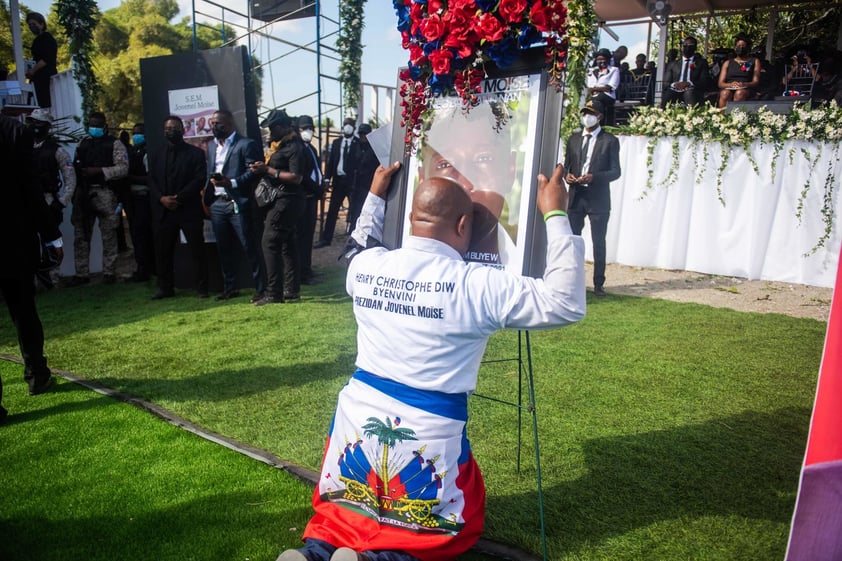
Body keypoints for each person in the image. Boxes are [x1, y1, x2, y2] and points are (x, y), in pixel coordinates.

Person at [276, 160, 586, 561]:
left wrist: (374, 194)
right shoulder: (478, 283)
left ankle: (315, 552)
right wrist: (556, 213)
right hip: (428, 424)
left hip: (358, 411)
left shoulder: (368, 266)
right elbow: (565, 303)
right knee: (443, 522)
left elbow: (357, 246)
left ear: (410, 219)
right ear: (463, 226)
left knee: (351, 502)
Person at [0, 115, 63, 423]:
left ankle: (37, 373)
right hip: (14, 241)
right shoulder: (15, 131)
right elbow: (30, 187)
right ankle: (36, 373)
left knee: (25, 312)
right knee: (24, 311)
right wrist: (51, 235)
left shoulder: (16, 131)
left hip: (15, 241)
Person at [418, 100, 517, 269]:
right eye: (445, 164)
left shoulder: (538, 270)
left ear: (510, 170)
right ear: (422, 181)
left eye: (483, 158)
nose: (464, 183)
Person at [202, 109, 267, 301]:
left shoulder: (246, 144)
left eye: (218, 123)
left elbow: (254, 171)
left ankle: (261, 288)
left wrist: (232, 182)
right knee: (223, 248)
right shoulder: (212, 147)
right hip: (217, 204)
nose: (214, 126)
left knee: (249, 247)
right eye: (212, 123)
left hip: (238, 203)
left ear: (229, 124)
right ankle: (230, 287)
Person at [249, 109, 309, 305]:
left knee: (269, 242)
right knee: (287, 244)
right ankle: (291, 290)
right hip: (284, 199)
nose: (269, 132)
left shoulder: (295, 147)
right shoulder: (279, 146)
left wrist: (268, 170)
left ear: (282, 127)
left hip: (288, 199)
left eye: (272, 128)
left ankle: (274, 293)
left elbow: (296, 177)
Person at [147, 116, 209, 299]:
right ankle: (165, 288)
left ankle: (202, 288)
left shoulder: (195, 154)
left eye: (174, 128)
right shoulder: (157, 154)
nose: (170, 131)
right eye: (167, 129)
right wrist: (161, 199)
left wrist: (178, 198)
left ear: (183, 130)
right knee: (163, 251)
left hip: (188, 209)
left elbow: (199, 179)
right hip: (164, 210)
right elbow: (151, 179)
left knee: (197, 250)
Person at [563, 100, 621, 297]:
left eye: (591, 113)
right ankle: (572, 279)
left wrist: (594, 177)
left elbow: (616, 171)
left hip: (598, 198)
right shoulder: (574, 139)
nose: (586, 117)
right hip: (577, 195)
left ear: (599, 117)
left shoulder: (610, 141)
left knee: (598, 241)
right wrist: (567, 176)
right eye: (585, 113)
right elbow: (567, 166)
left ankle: (598, 283)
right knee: (572, 240)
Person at [67, 111, 129, 286]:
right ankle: (81, 273)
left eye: (97, 125)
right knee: (81, 234)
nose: (94, 129)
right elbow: (75, 167)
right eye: (91, 125)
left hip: (105, 192)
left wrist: (100, 171)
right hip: (83, 193)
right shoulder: (83, 143)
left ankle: (109, 272)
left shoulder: (115, 144)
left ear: (105, 126)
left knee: (109, 234)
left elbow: (123, 168)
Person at [26, 108, 75, 229]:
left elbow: (70, 179)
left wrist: (61, 203)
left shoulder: (57, 151)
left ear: (47, 126)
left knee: (51, 243)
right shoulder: (21, 147)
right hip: (26, 200)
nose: (34, 126)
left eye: (39, 123)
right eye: (32, 122)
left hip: (48, 200)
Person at [314, 117, 359, 248]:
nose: (347, 127)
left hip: (352, 182)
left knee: (355, 211)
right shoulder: (336, 143)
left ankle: (353, 240)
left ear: (354, 127)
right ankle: (326, 238)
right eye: (345, 124)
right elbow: (330, 162)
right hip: (338, 182)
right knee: (333, 211)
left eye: (350, 125)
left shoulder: (357, 144)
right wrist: (327, 179)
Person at [124, 123, 155, 282]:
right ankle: (141, 267)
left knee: (144, 234)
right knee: (136, 235)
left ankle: (147, 269)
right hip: (132, 199)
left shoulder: (148, 153)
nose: (136, 136)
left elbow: (150, 179)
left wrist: (130, 178)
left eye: (139, 133)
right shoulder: (132, 151)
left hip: (144, 197)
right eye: (134, 133)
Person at [297, 115, 324, 284]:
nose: (308, 131)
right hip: (303, 197)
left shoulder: (311, 149)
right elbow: (303, 176)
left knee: (308, 237)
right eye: (304, 128)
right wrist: (317, 187)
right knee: (301, 237)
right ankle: (302, 274)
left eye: (311, 128)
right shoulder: (298, 149)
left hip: (312, 198)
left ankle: (307, 269)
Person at [661, 36, 711, 107]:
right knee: (667, 95)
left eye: (691, 46)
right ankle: (662, 116)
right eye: (685, 45)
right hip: (675, 90)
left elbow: (704, 81)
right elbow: (666, 83)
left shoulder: (701, 63)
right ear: (682, 47)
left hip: (692, 89)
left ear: (695, 48)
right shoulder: (673, 64)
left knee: (689, 93)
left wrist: (689, 83)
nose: (687, 47)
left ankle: (692, 116)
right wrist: (675, 84)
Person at [347, 123, 378, 234]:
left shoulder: (374, 149)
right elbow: (350, 164)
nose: (363, 137)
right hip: (356, 185)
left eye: (365, 134)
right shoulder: (355, 147)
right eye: (361, 134)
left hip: (368, 185)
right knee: (354, 210)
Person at [717, 34, 762, 108]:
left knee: (739, 93)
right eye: (738, 46)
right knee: (725, 93)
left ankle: (737, 117)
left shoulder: (754, 61)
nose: (740, 48)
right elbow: (720, 83)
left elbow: (755, 82)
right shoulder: (728, 63)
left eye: (743, 46)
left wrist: (743, 84)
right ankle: (723, 117)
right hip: (730, 87)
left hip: (746, 88)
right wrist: (731, 85)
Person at [24, 12, 57, 109]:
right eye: (30, 25)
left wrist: (33, 70)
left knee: (43, 105)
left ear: (42, 24)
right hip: (37, 77)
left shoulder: (47, 38)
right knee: (34, 105)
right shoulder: (36, 40)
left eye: (34, 24)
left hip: (45, 76)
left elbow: (47, 58)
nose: (31, 27)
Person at [586, 48, 620, 126]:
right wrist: (595, 89)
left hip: (608, 96)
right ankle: (595, 124)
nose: (601, 61)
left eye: (603, 59)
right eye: (599, 59)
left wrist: (595, 89)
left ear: (608, 60)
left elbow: (610, 88)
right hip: (595, 96)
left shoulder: (614, 70)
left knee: (595, 100)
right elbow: (589, 86)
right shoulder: (592, 71)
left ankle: (596, 124)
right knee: (595, 102)